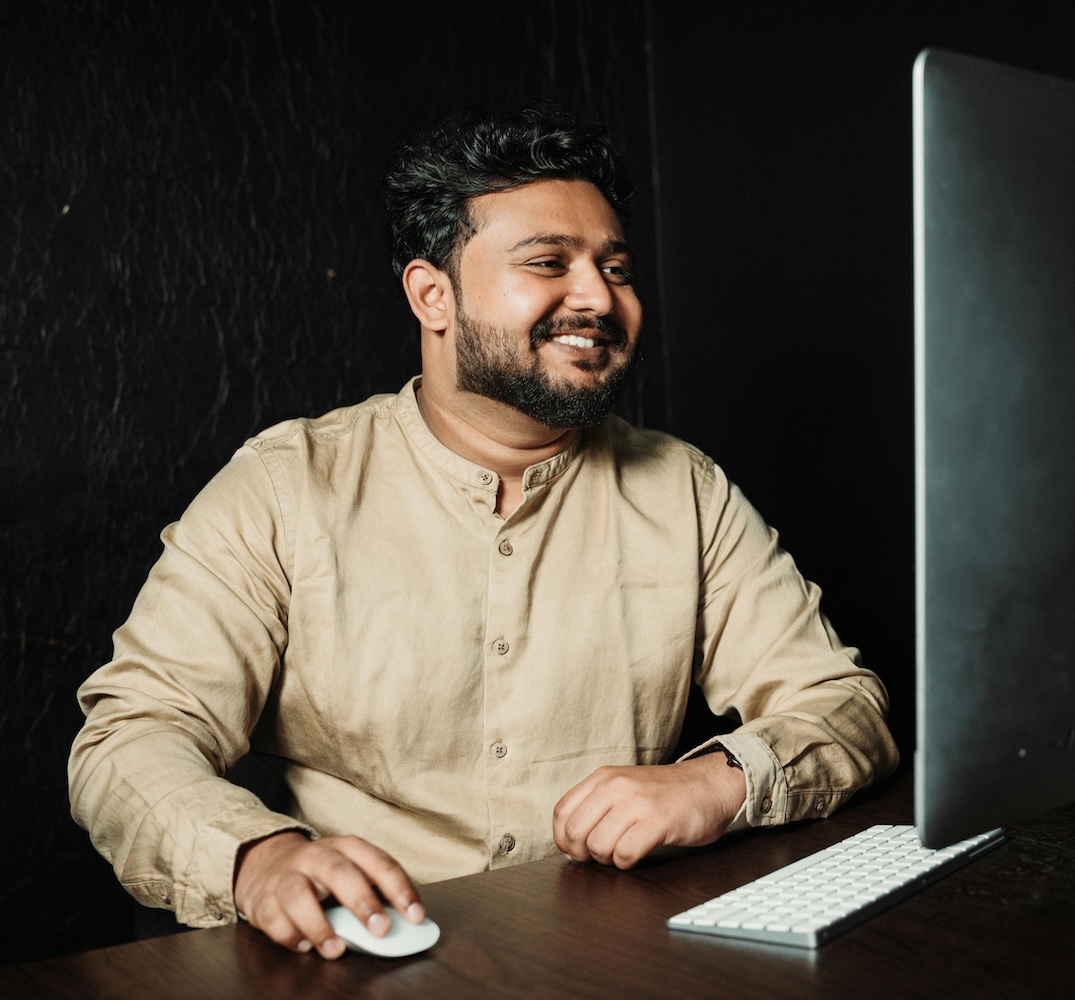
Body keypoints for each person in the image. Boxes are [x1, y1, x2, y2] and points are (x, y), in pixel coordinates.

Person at [68, 106, 899, 960]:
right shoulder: (286, 488)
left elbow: (843, 705)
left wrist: (716, 782)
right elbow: (133, 735)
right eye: (549, 262)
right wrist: (256, 858)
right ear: (432, 295)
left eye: (616, 268)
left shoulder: (685, 490)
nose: (598, 298)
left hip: (609, 956)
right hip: (360, 960)